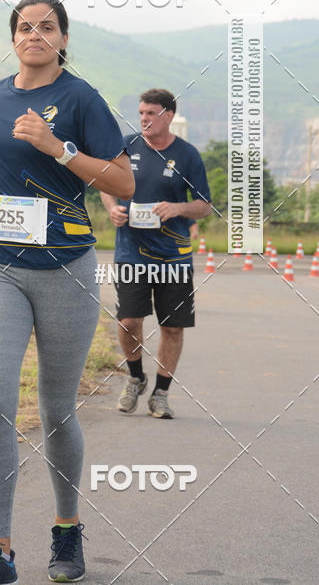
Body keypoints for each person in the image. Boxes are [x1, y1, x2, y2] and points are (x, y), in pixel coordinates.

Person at [0, 0, 133, 585]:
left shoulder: (81, 98)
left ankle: (66, 529)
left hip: (67, 267)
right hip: (0, 265)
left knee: (56, 409)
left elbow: (123, 180)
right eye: (24, 27)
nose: (34, 35)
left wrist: (60, 149)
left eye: (46, 27)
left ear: (62, 38)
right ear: (12, 38)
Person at [101, 88, 211, 420]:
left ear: (169, 115)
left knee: (172, 327)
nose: (145, 119)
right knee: (129, 321)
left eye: (151, 113)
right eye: (142, 113)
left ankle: (161, 393)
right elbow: (106, 184)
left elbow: (204, 205)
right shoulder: (126, 145)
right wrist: (112, 209)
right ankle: (136, 377)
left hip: (174, 257)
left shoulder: (188, 154)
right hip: (131, 253)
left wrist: (178, 207)